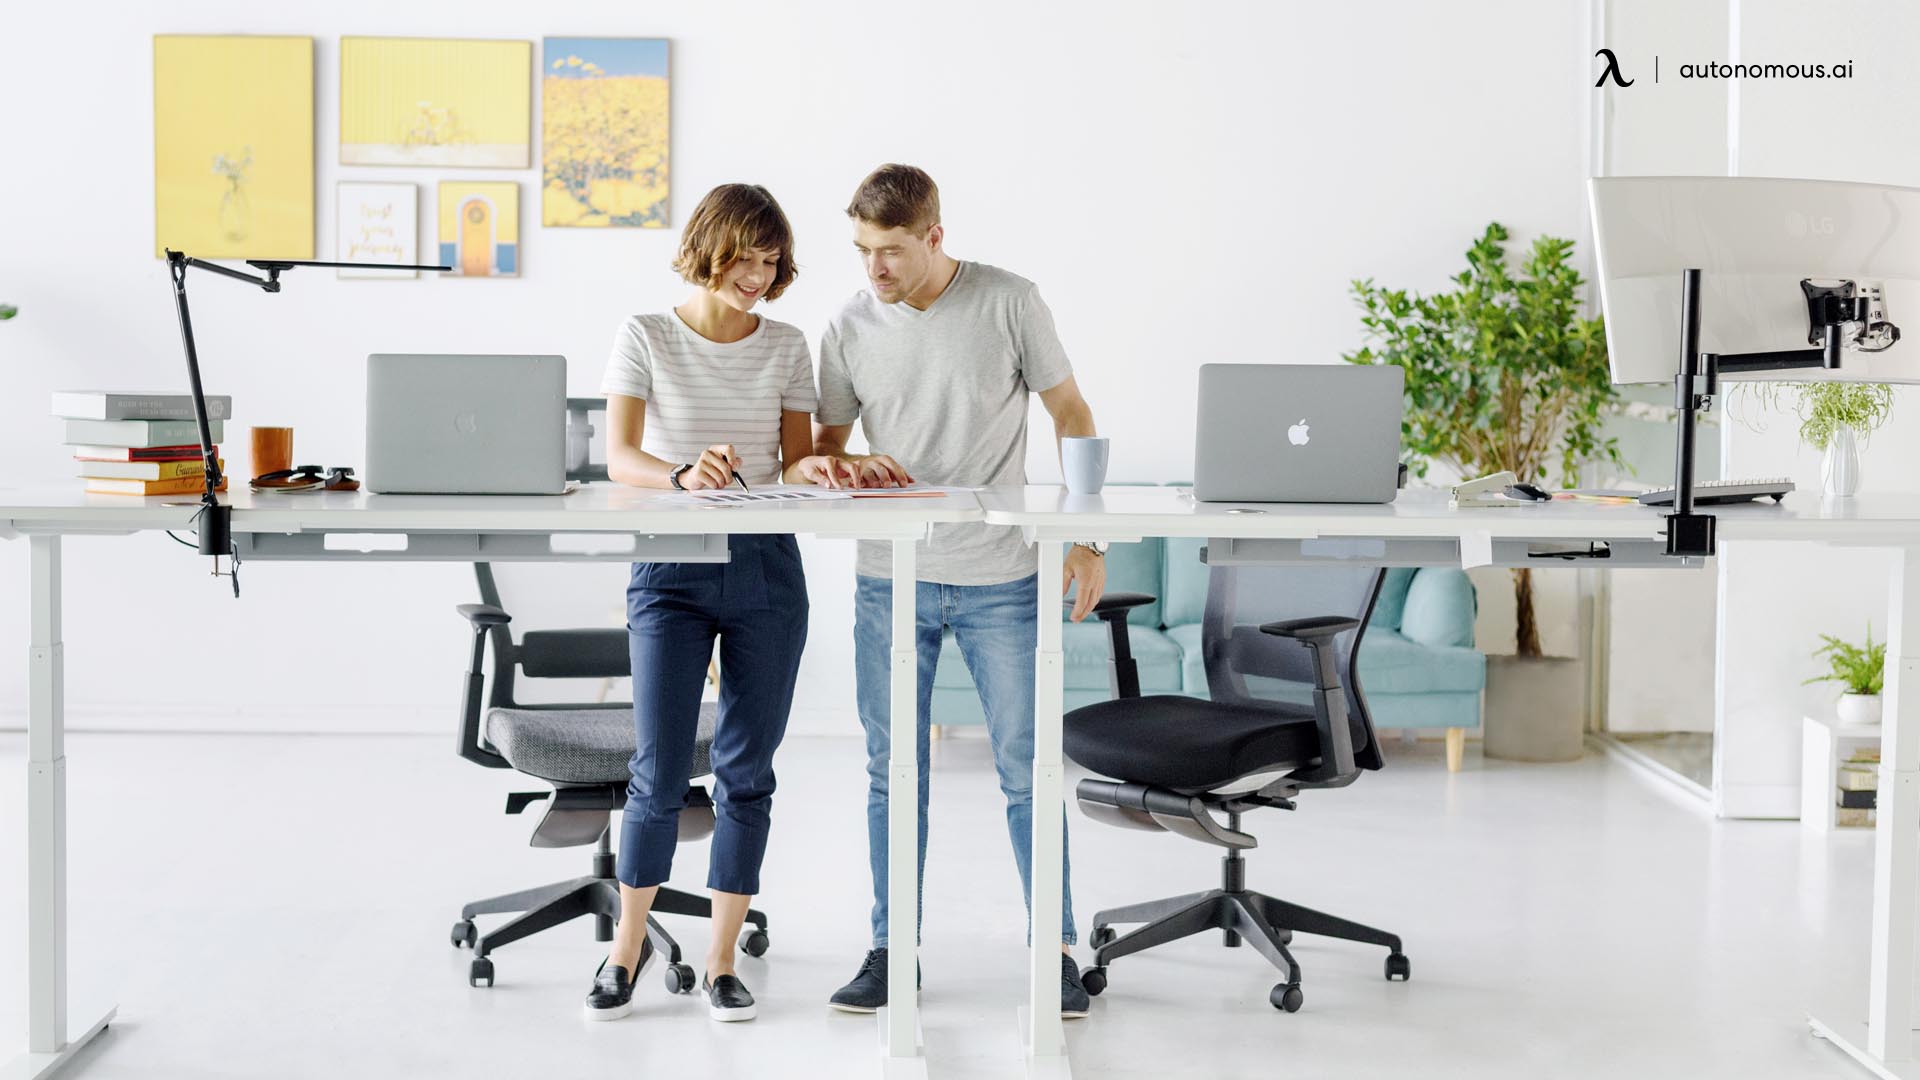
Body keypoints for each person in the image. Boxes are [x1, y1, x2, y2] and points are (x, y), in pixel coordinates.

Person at [813, 164, 1106, 1018]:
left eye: (892, 251)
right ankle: (888, 952)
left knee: (1027, 768)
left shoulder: (1011, 302)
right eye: (864, 250)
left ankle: (1052, 951)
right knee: (891, 770)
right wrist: (840, 466)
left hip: (1001, 578)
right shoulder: (848, 325)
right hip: (889, 577)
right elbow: (825, 447)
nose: (875, 269)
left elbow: (1073, 412)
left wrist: (1083, 536)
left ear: (935, 237)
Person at [585, 183, 847, 1024]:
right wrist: (681, 474)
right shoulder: (647, 334)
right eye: (746, 258)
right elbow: (619, 455)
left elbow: (800, 463)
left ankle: (723, 958)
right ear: (710, 248)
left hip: (767, 564)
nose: (758, 277)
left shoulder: (787, 345)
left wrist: (842, 468)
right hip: (670, 564)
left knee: (746, 772)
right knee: (658, 771)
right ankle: (625, 948)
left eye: (772, 263)